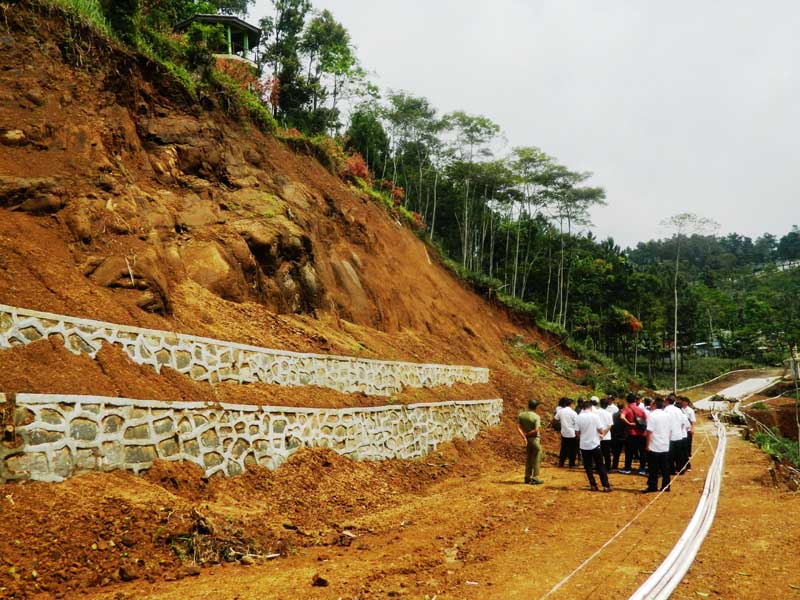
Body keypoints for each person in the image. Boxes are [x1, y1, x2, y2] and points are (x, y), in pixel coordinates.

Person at [576, 401, 612, 492]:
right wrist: (601, 434)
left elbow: (577, 433)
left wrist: (582, 437)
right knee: (600, 465)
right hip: (595, 444)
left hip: (584, 445)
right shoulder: (595, 416)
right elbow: (600, 430)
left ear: (583, 407)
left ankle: (593, 485)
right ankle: (606, 485)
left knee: (588, 466)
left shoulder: (578, 417)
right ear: (591, 407)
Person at [643, 397, 672, 493]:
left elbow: (649, 432)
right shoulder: (667, 415)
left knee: (653, 468)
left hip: (654, 445)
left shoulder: (652, 416)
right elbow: (670, 430)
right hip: (665, 444)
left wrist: (647, 445)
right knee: (665, 468)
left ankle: (652, 486)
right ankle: (666, 485)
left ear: (655, 405)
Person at [517, 399, 543, 485]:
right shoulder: (536, 416)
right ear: (536, 407)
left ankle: (527, 477)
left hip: (527, 440)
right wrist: (528, 434)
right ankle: (535, 478)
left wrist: (524, 437)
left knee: (528, 458)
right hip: (534, 439)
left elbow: (518, 427)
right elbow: (536, 430)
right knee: (536, 457)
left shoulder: (521, 415)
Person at [620, 393, 647, 475]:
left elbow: (622, 417)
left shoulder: (627, 409)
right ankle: (642, 469)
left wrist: (629, 423)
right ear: (635, 400)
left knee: (629, 452)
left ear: (627, 400)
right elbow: (646, 420)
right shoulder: (641, 410)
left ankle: (627, 468)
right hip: (642, 434)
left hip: (631, 434)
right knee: (642, 452)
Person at [664, 395, 688, 475]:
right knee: (679, 454)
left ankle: (671, 470)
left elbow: (665, 422)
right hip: (678, 434)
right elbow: (682, 422)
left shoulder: (666, 410)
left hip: (670, 435)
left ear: (667, 401)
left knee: (670, 454)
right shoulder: (678, 410)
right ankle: (681, 469)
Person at [556, 398, 578, 468]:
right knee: (573, 449)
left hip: (564, 433)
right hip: (572, 433)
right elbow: (577, 423)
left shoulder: (561, 411)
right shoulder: (573, 413)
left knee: (563, 448)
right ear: (571, 404)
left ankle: (561, 462)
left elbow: (555, 419)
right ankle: (571, 463)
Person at [610, 399, 627, 471]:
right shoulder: (626, 415)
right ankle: (627, 466)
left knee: (616, 453)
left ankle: (614, 466)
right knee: (627, 452)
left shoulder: (614, 415)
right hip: (625, 435)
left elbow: (612, 425)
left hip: (615, 435)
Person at [598, 397, 614, 471]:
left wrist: (601, 433)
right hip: (606, 436)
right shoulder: (608, 414)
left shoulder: (596, 412)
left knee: (599, 453)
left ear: (600, 404)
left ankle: (599, 467)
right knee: (607, 453)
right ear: (607, 405)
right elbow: (610, 425)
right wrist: (604, 433)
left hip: (597, 436)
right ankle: (608, 467)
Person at [681, 397, 696, 471]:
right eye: (682, 401)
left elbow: (693, 421)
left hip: (688, 430)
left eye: (684, 401)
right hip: (681, 431)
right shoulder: (679, 409)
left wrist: (692, 429)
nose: (683, 403)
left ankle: (687, 464)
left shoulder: (690, 411)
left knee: (687, 448)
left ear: (687, 402)